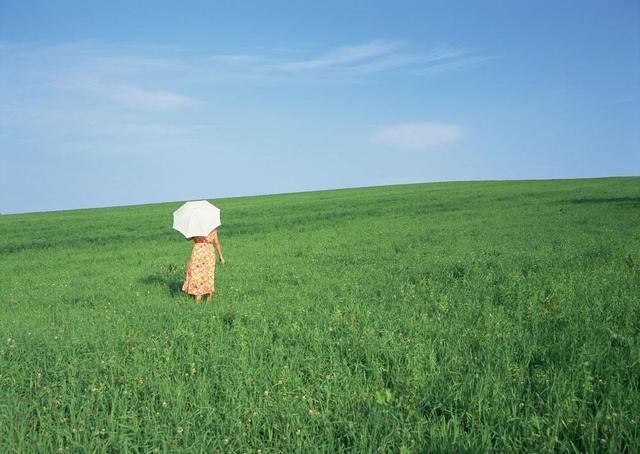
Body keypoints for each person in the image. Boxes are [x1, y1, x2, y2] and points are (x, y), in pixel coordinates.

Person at [182, 228, 225, 303]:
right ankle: (208, 298)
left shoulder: (196, 227)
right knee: (208, 274)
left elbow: (188, 238)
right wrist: (221, 256)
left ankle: (197, 296)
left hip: (198, 251)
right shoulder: (212, 228)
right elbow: (216, 242)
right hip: (209, 252)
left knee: (197, 273)